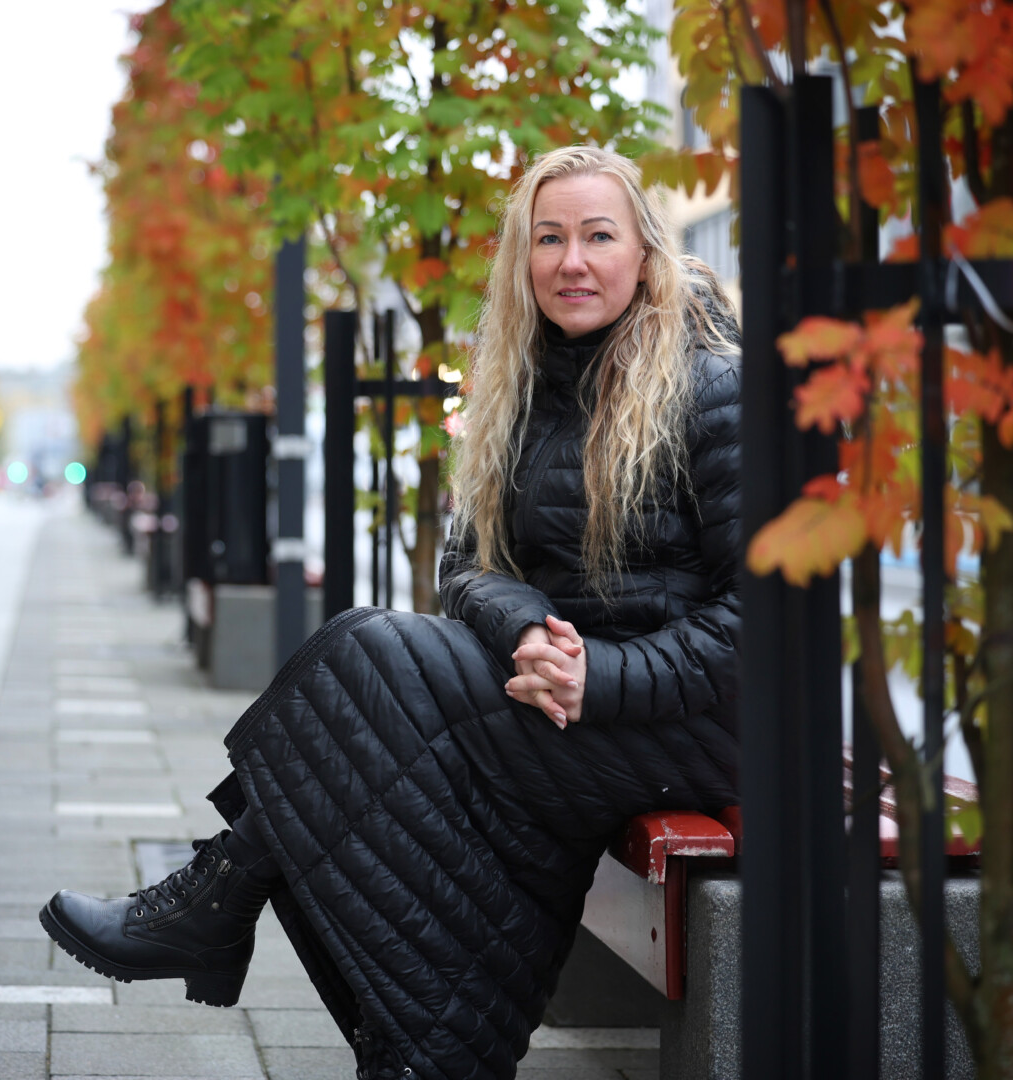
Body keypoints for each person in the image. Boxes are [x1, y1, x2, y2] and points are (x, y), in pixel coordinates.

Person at [40, 146, 741, 1080]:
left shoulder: (710, 388)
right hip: (556, 698)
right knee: (394, 775)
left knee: (363, 658)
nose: (572, 260)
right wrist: (532, 633)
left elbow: (761, 626)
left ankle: (215, 903)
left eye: (598, 236)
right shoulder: (525, 386)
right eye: (550, 238)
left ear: (646, 256)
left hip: (692, 724)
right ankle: (426, 1052)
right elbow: (466, 566)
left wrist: (599, 678)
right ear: (522, 260)